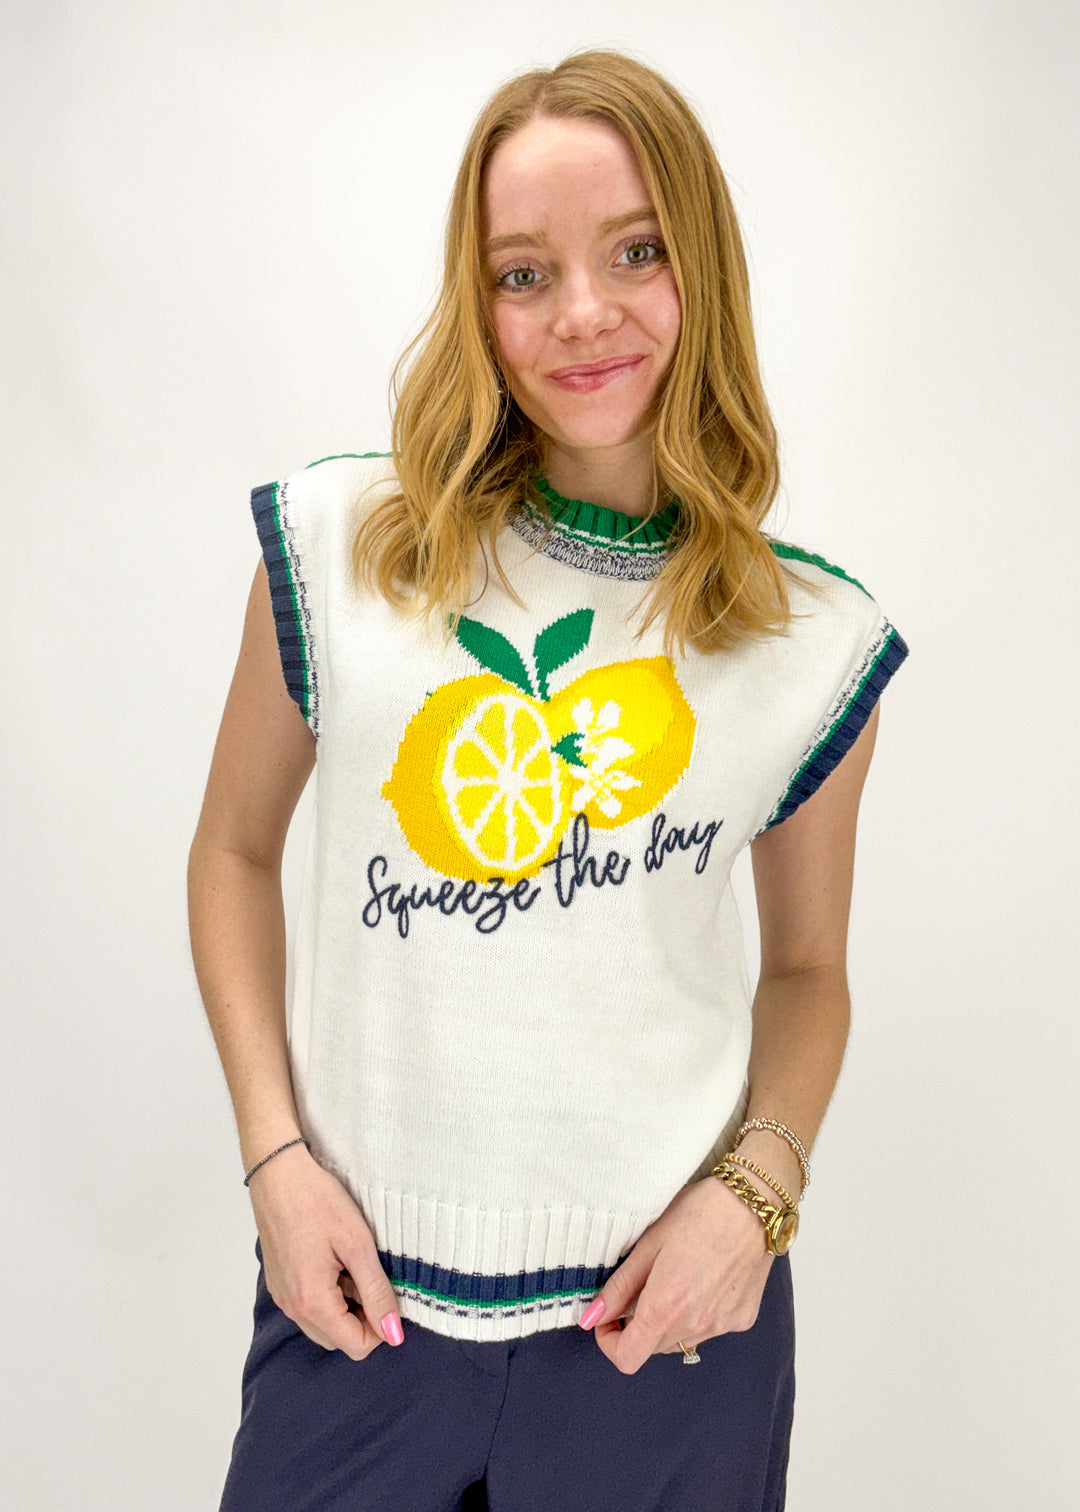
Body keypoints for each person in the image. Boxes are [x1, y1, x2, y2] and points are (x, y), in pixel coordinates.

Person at [187, 46, 908, 1512]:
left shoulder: (811, 641)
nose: (584, 313)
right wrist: (274, 1159)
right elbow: (232, 858)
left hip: (668, 1338)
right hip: (357, 1310)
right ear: (478, 299)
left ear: (700, 262)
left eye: (636, 251)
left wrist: (753, 1202)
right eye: (525, 272)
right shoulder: (339, 547)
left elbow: (811, 972)